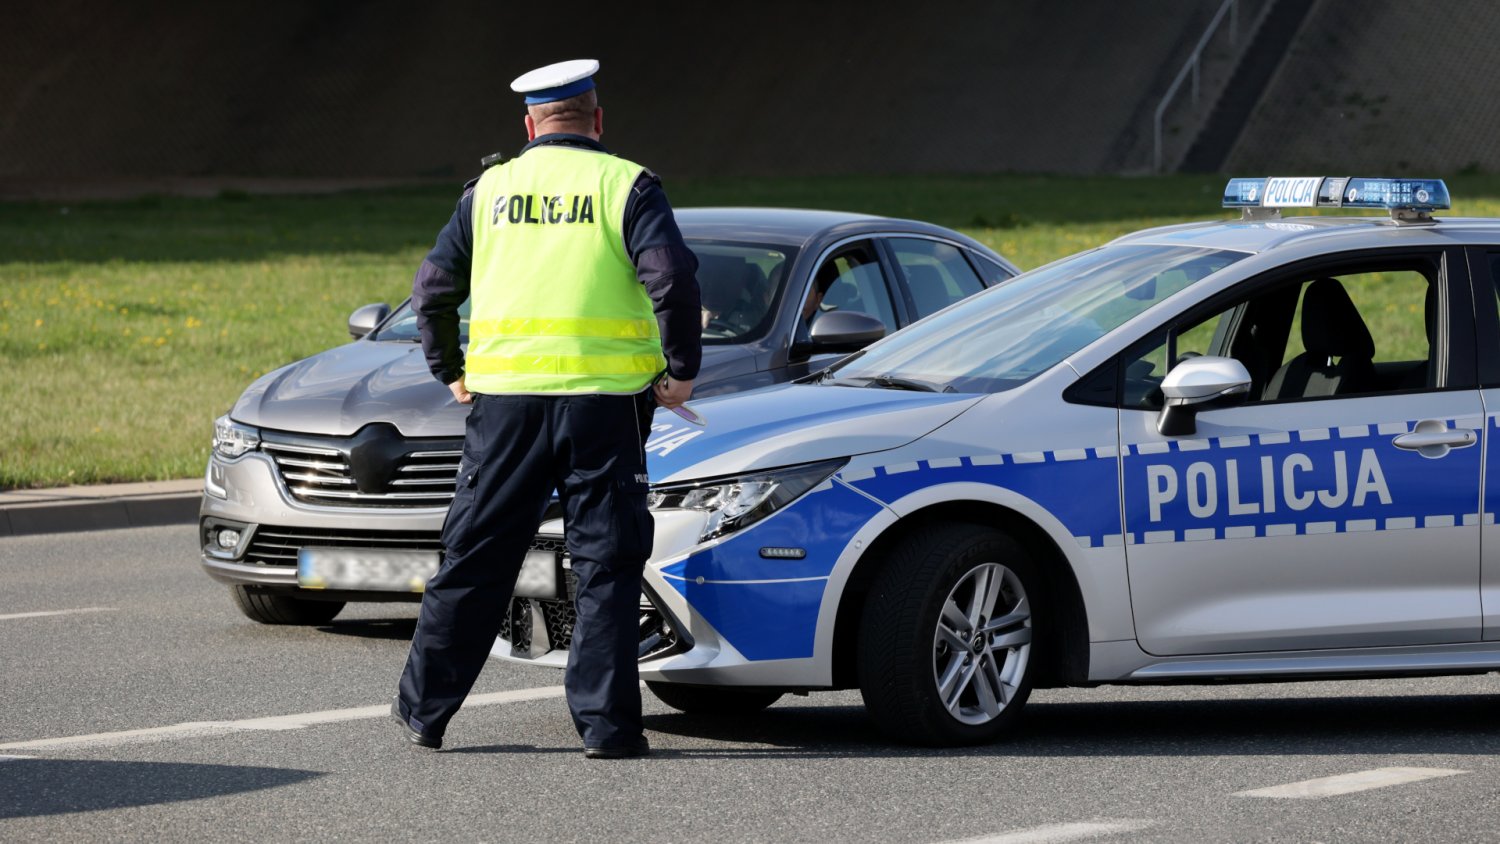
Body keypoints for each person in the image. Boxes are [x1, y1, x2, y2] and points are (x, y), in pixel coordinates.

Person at [392, 58, 701, 759]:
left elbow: (432, 289)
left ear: (530, 125)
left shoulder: (490, 190)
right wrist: (680, 370)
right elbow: (673, 276)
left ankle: (423, 712)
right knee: (605, 565)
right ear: (598, 120)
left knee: (475, 557)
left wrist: (451, 371)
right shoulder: (626, 184)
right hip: (603, 408)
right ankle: (607, 730)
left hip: (505, 410)